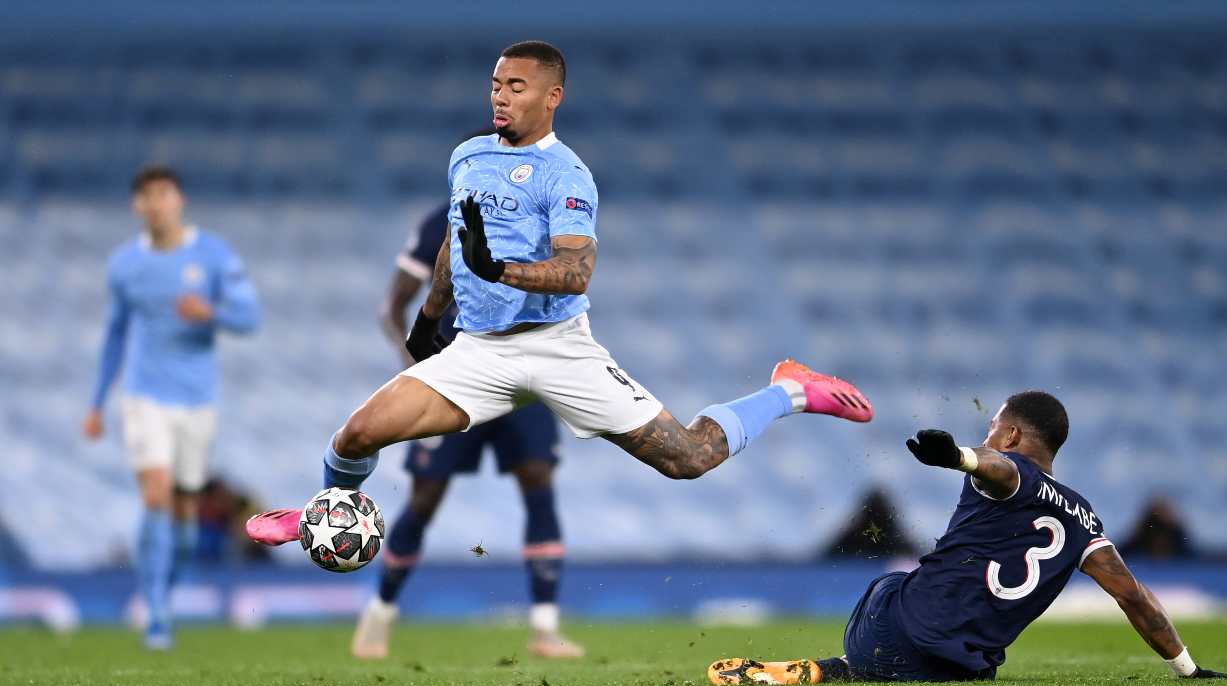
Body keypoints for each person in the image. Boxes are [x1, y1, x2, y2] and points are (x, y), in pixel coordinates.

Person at [246, 40, 870, 563]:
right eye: (495, 83)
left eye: (517, 86)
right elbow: (455, 245)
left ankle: (790, 390)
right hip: (479, 353)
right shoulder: (468, 156)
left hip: (556, 349)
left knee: (688, 458)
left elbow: (576, 272)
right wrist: (429, 317)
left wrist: (503, 271)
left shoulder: (567, 175)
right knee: (356, 435)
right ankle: (324, 508)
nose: (500, 95)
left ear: (552, 98)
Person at [709, 391, 1227, 684]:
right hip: (961, 671)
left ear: (1011, 435)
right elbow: (1133, 597)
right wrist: (1187, 669)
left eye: (994, 427)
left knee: (892, 579)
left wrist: (959, 456)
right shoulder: (1083, 517)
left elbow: (999, 470)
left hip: (893, 635)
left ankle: (845, 667)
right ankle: (848, 671)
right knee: (942, 641)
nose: (990, 435)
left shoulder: (1005, 468)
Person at [350, 200, 583, 660]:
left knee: (538, 480)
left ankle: (545, 628)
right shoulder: (443, 219)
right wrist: (416, 364)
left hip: (529, 371)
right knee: (426, 495)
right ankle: (380, 614)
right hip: (463, 372)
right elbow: (393, 306)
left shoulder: (547, 214)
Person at [84, 166, 261, 649]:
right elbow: (116, 333)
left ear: (179, 199)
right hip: (143, 395)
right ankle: (157, 613)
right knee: (156, 494)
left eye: (163, 194)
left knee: (184, 521)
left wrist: (212, 313)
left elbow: (251, 315)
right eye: (146, 196)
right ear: (136, 206)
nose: (156, 203)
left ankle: (163, 592)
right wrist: (98, 401)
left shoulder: (212, 254)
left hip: (197, 400)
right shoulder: (124, 265)